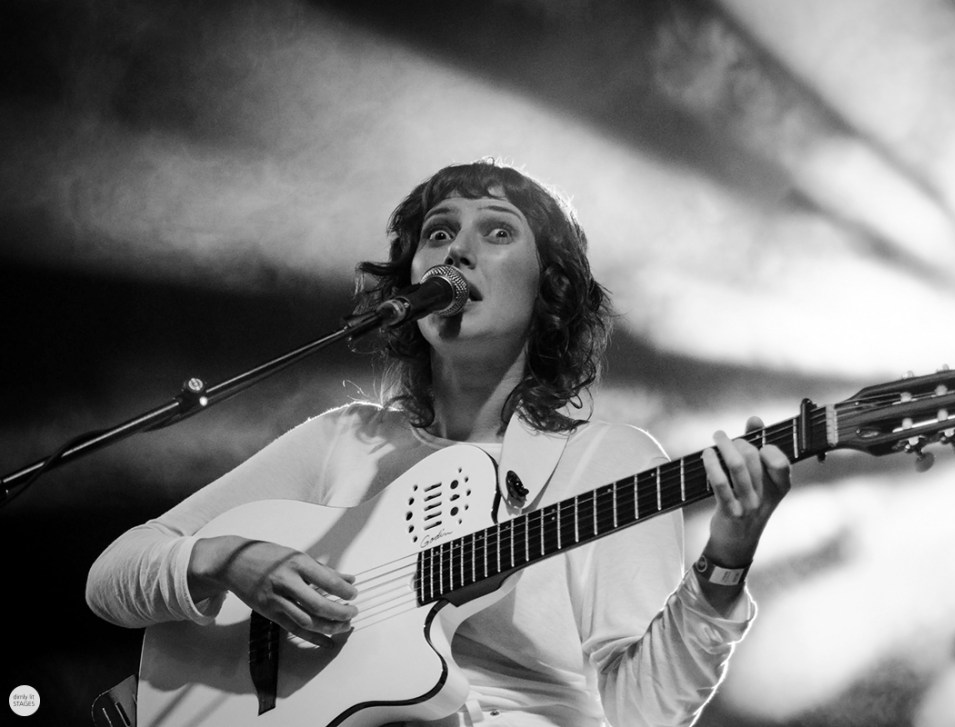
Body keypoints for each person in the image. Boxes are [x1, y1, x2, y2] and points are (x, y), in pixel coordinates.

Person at [85, 159, 792, 726]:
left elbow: (642, 713)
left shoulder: (608, 461)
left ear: (551, 285)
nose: (458, 247)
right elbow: (112, 576)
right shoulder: (346, 439)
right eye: (438, 232)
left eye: (497, 231)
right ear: (412, 280)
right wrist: (225, 560)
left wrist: (723, 564)